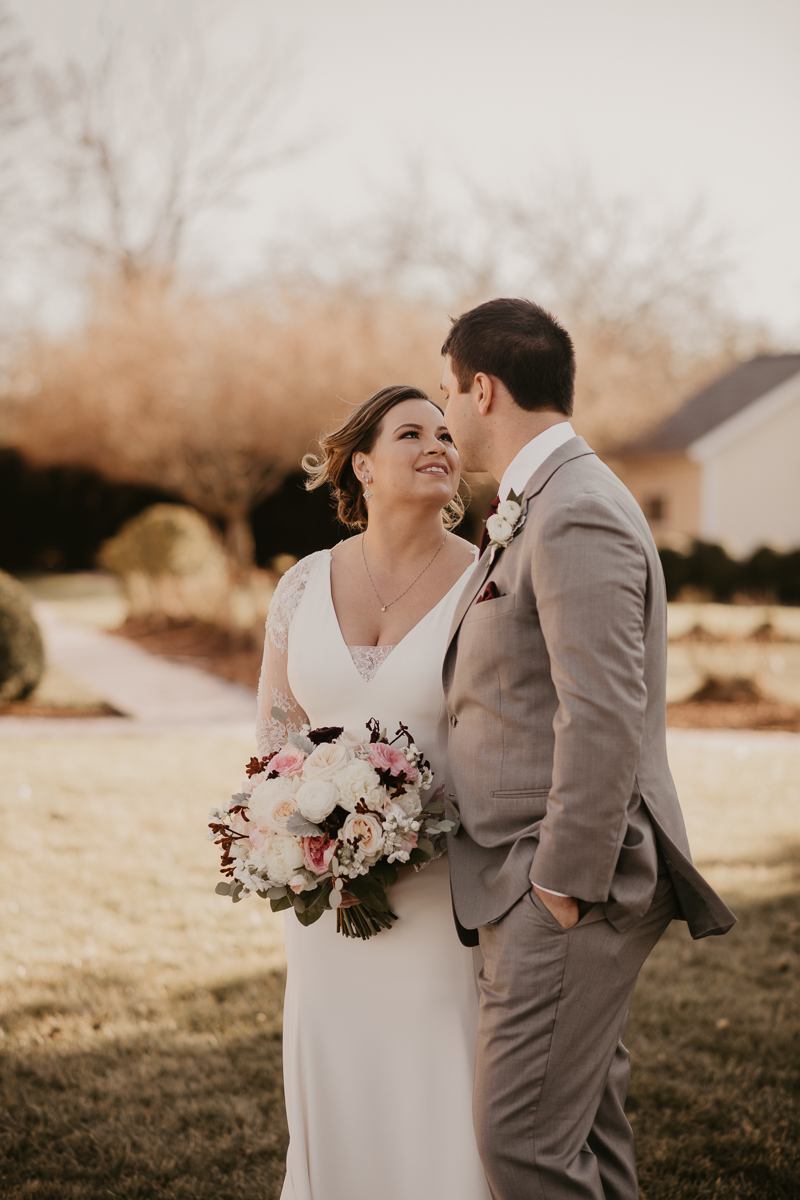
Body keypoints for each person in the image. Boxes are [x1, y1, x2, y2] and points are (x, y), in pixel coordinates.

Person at [440, 298, 736, 1200]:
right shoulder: (543, 499)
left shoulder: (575, 509)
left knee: (521, 1144)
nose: (445, 411)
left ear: (482, 389)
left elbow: (602, 712)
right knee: (587, 1143)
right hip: (533, 874)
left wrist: (562, 888)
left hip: (571, 881)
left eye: (445, 391)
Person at [255, 384, 492, 1200]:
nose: (437, 445)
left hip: (440, 890)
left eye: (446, 435)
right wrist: (291, 841)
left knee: (437, 1084)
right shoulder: (302, 584)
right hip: (325, 895)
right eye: (411, 433)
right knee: (339, 1077)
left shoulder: (486, 583)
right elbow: (276, 741)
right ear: (360, 465)